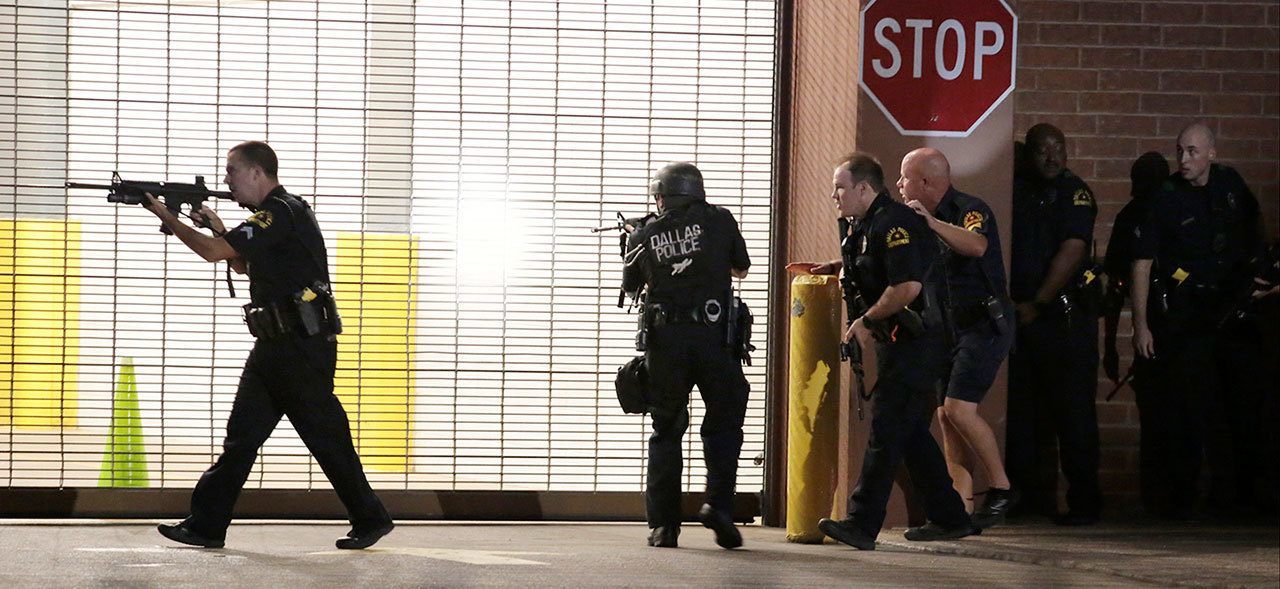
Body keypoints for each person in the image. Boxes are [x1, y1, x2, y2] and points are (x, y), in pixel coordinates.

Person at [147, 141, 393, 549]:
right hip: (275, 347)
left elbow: (211, 254)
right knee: (242, 437)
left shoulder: (280, 212)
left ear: (257, 173)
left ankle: (370, 516)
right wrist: (221, 228)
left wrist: (165, 216)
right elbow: (242, 264)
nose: (226, 180)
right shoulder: (271, 217)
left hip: (298, 347)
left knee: (326, 436)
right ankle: (207, 524)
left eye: (232, 171)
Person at [791, 153, 972, 550]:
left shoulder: (894, 223)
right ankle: (950, 516)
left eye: (840, 187)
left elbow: (907, 286)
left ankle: (861, 522)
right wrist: (834, 267)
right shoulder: (865, 225)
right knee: (909, 434)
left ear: (863, 188)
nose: (833, 195)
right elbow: (873, 265)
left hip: (919, 343)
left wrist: (867, 321)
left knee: (887, 428)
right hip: (900, 342)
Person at [1130, 122, 1268, 518]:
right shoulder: (1166, 197)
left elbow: (1254, 224)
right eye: (1179, 151)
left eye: (1192, 151)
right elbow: (1141, 262)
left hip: (1234, 314)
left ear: (1212, 153)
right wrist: (1141, 325)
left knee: (1241, 407)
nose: (1184, 159)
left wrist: (1257, 269)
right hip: (1189, 318)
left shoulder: (1229, 184)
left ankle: (1241, 495)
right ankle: (1184, 498)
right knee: (1190, 411)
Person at [621, 161, 751, 549]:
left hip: (667, 343)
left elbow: (630, 290)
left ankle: (663, 527)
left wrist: (638, 242)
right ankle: (718, 507)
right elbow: (740, 270)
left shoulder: (645, 233)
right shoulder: (722, 220)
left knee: (666, 429)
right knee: (724, 423)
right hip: (715, 338)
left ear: (664, 196)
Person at [897, 148, 1018, 529]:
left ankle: (1001, 488)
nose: (899, 186)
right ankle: (958, 509)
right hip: (948, 328)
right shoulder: (915, 221)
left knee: (959, 409)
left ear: (926, 182)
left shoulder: (970, 209)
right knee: (945, 417)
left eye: (905, 178)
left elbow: (976, 245)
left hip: (983, 325)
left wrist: (931, 223)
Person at [1008, 123, 1103, 526]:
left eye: (1058, 148)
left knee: (1073, 414)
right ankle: (1030, 499)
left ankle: (1085, 503)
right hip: (1024, 319)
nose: (1051, 157)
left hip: (1062, 319)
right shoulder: (1020, 190)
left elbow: (1073, 249)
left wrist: (1038, 302)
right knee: (1025, 416)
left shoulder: (1074, 193)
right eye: (1042, 150)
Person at [1101, 151, 1169, 516]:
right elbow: (1117, 283)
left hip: (1183, 329)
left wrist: (1112, 344)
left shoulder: (1160, 210)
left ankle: (1166, 498)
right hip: (1157, 331)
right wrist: (1111, 344)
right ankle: (1159, 499)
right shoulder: (1135, 216)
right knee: (1157, 419)